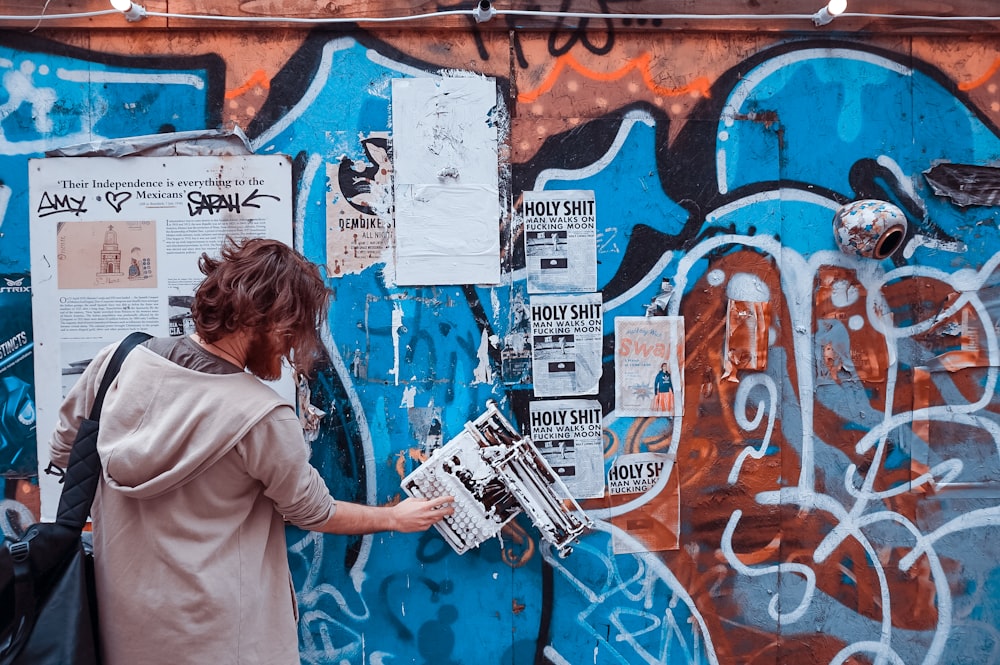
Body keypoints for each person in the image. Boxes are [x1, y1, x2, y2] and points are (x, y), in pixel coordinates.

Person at [48, 237, 453, 665]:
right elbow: (314, 512)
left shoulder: (118, 363)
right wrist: (393, 517)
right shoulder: (262, 417)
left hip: (124, 630)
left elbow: (65, 453)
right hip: (226, 640)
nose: (293, 350)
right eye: (291, 332)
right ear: (265, 320)